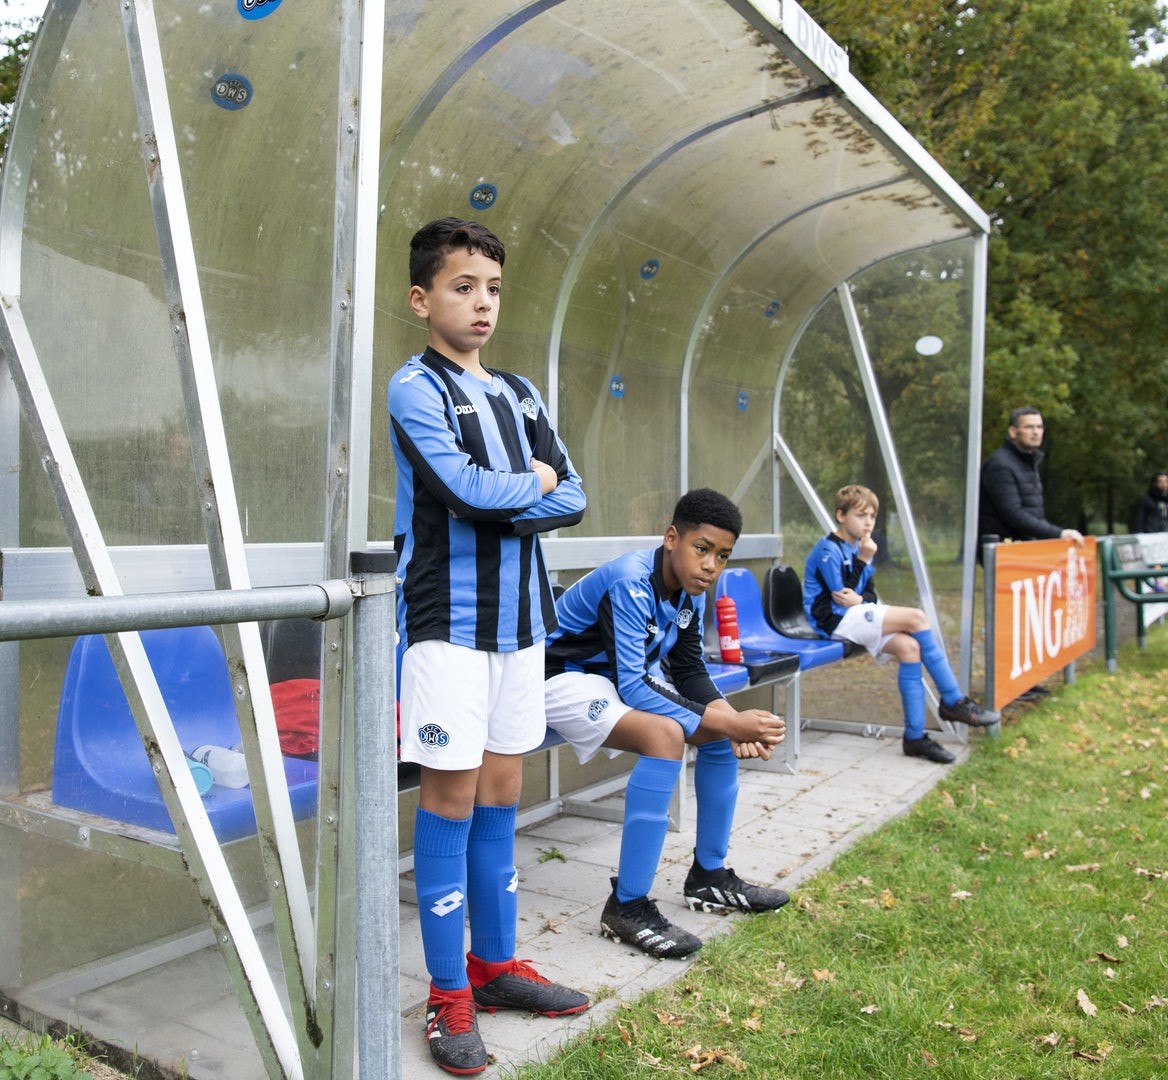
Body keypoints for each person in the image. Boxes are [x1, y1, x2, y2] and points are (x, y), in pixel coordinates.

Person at [388, 217, 590, 1075]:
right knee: (452, 797)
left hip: (521, 628)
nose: (481, 304)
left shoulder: (520, 394)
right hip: (447, 625)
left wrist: (532, 488)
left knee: (505, 787)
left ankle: (495, 965)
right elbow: (463, 494)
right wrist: (529, 485)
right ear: (422, 297)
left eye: (493, 289)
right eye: (463, 287)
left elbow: (573, 493)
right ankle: (446, 993)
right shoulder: (415, 389)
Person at [544, 489, 791, 960]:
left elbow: (691, 671)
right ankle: (627, 905)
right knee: (667, 733)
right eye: (702, 549)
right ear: (672, 538)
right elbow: (636, 685)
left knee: (715, 728)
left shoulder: (690, 590)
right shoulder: (630, 580)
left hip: (607, 679)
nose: (711, 566)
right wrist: (733, 724)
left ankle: (709, 876)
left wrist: (732, 721)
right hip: (555, 679)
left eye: (722, 556)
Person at [804, 484, 1000, 764]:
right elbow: (843, 595)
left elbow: (867, 594)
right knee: (917, 618)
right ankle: (953, 701)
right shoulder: (829, 549)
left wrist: (862, 574)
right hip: (831, 620)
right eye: (861, 515)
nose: (868, 522)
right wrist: (864, 560)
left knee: (910, 648)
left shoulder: (860, 546)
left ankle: (914, 738)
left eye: (872, 516)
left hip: (853, 616)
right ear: (841, 516)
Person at [978, 407, 1084, 546]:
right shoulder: (1000, 465)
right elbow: (1013, 514)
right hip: (1004, 550)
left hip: (1024, 546)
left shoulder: (1028, 462)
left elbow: (1033, 513)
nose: (1036, 432)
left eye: (1039, 427)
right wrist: (1058, 533)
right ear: (1013, 432)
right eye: (1029, 427)